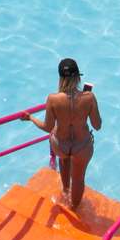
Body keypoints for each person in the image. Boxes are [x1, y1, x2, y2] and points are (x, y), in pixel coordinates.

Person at [29, 58, 101, 211]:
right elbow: (97, 125)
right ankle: (74, 209)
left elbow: (48, 127)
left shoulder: (52, 99)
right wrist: (88, 106)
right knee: (78, 179)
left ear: (61, 78)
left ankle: (65, 191)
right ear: (78, 78)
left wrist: (30, 118)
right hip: (82, 146)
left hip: (60, 145)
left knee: (64, 160)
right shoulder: (89, 98)